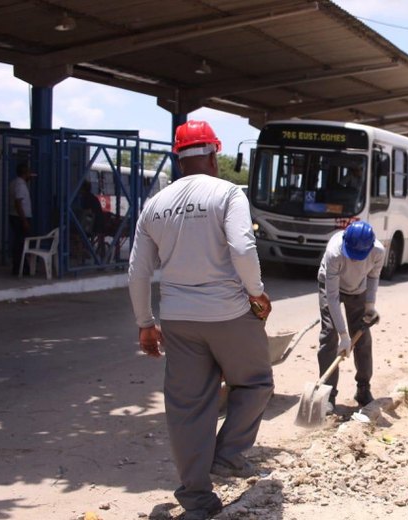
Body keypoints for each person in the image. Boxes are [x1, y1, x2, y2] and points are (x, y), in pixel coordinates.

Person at [128, 120, 273, 520]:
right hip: (228, 313)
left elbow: (138, 271)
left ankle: (196, 500)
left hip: (176, 319)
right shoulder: (228, 193)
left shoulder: (154, 205)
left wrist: (145, 322)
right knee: (255, 382)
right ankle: (227, 455)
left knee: (187, 408)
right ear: (213, 155)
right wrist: (256, 291)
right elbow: (243, 246)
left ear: (179, 159)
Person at [317, 220, 385, 413]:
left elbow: (373, 277)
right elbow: (332, 298)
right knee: (329, 335)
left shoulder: (378, 252)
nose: (355, 260)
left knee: (362, 337)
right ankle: (327, 394)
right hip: (331, 285)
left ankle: (363, 389)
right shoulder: (334, 252)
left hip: (358, 289)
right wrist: (343, 336)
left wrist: (370, 306)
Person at [8, 163, 34, 276]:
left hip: (15, 217)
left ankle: (22, 267)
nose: (30, 175)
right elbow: (18, 203)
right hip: (19, 218)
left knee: (19, 244)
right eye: (28, 173)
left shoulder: (14, 183)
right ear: (24, 173)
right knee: (21, 244)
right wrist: (24, 220)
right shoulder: (20, 185)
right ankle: (21, 268)